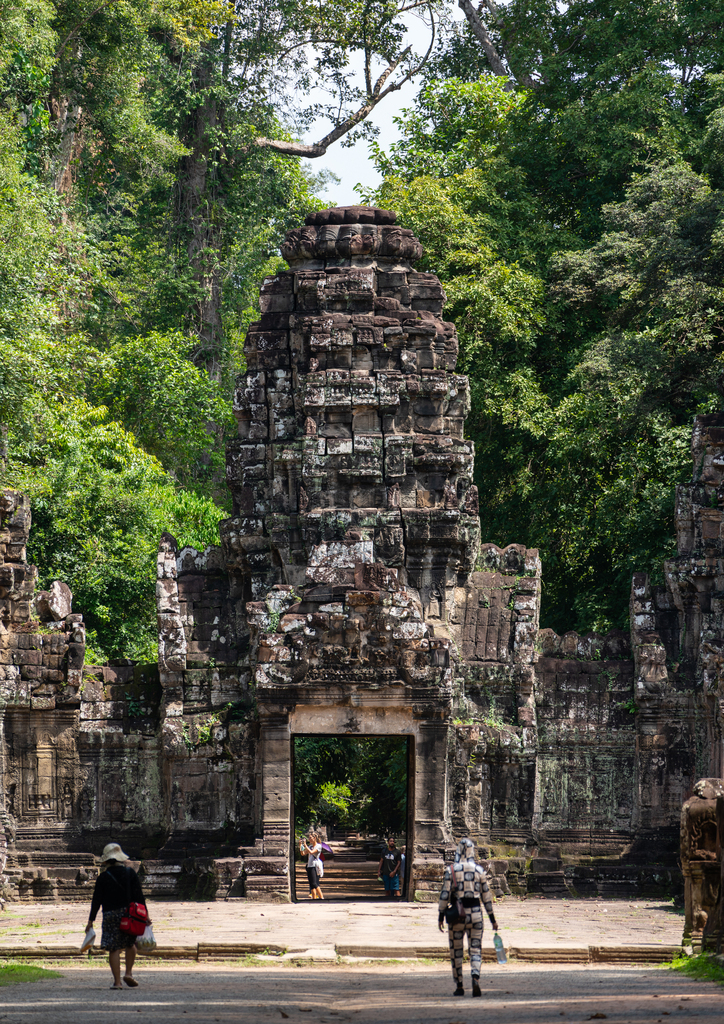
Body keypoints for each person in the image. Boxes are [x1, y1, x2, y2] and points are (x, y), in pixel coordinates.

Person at [437, 837, 499, 998]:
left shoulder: (452, 870)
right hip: (476, 914)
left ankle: (459, 985)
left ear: (458, 851)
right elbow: (487, 897)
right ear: (473, 852)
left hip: (458, 915)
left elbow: (445, 894)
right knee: (475, 949)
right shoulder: (479, 871)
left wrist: (441, 915)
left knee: (456, 950)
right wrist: (492, 919)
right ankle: (475, 976)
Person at [86, 842, 149, 989]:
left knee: (114, 948)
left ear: (106, 860)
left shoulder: (103, 878)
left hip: (110, 915)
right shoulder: (130, 873)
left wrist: (91, 920)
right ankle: (128, 973)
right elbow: (139, 896)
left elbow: (96, 900)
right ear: (120, 858)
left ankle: (117, 982)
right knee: (130, 943)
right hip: (129, 914)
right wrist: (146, 915)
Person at [300, 831, 324, 899]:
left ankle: (321, 897)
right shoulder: (310, 846)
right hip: (309, 866)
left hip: (315, 866)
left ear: (315, 838)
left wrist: (305, 845)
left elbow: (311, 852)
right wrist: (300, 845)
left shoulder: (318, 846)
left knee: (314, 883)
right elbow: (303, 853)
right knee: (311, 884)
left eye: (310, 838)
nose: (309, 839)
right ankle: (314, 898)